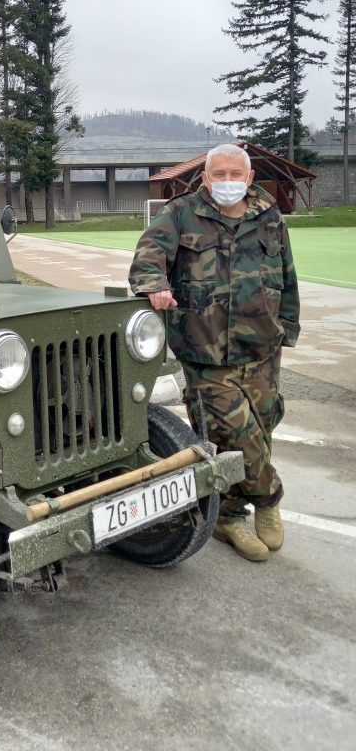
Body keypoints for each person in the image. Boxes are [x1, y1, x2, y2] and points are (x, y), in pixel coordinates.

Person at [128, 144, 299, 562]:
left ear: (249, 178)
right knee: (234, 432)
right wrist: (154, 283)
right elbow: (149, 255)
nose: (226, 182)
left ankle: (229, 514)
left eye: (234, 174)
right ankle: (269, 497)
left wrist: (287, 329)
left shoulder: (269, 216)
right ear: (205, 179)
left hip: (261, 346)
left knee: (262, 426)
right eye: (218, 174)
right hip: (205, 348)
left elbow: (287, 275)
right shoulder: (181, 212)